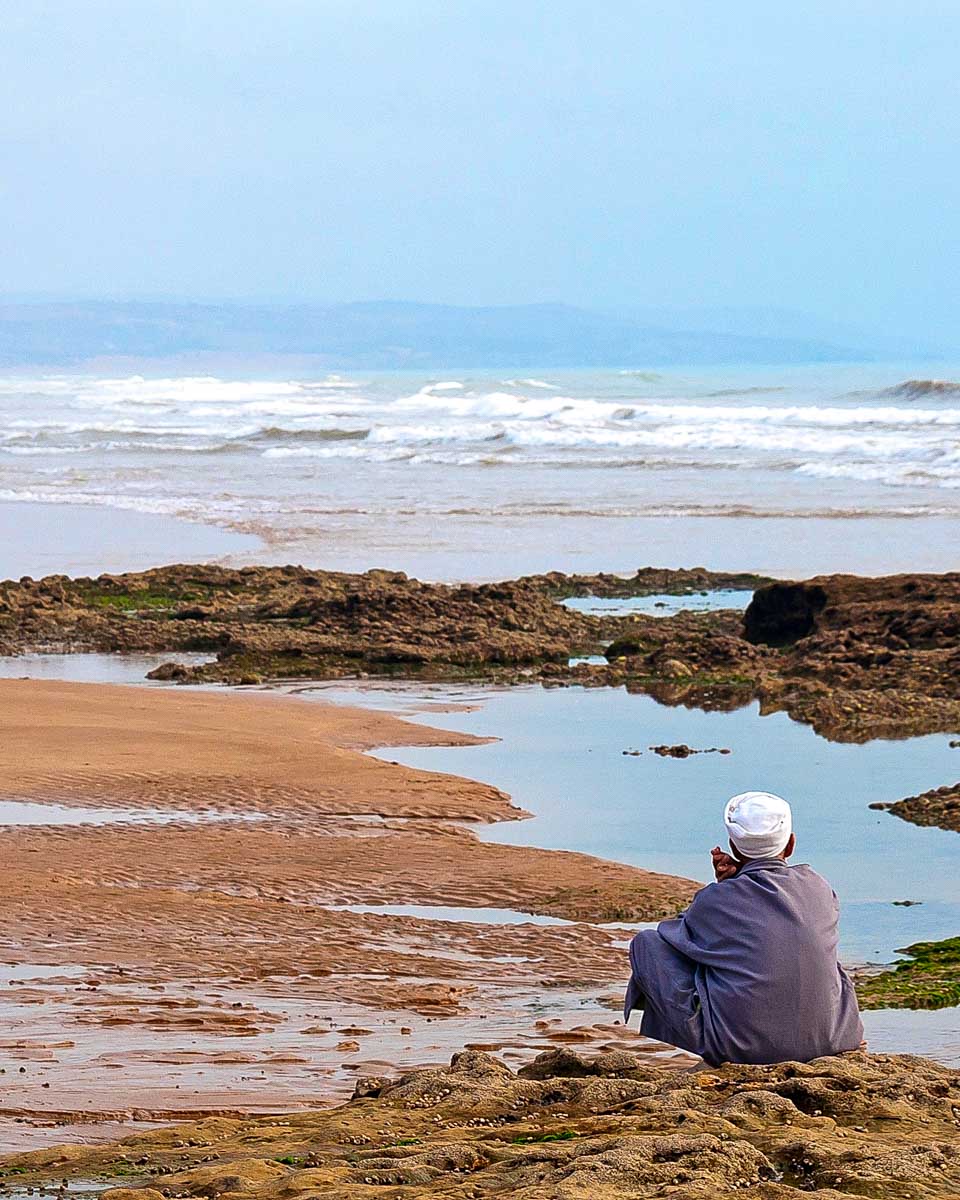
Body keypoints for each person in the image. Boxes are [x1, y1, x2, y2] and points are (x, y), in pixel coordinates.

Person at [625, 790, 863, 1065]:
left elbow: (675, 938)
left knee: (646, 944)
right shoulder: (818, 885)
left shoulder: (716, 899)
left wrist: (725, 887)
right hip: (834, 1039)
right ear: (790, 845)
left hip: (743, 1050)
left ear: (733, 846)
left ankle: (718, 1036)